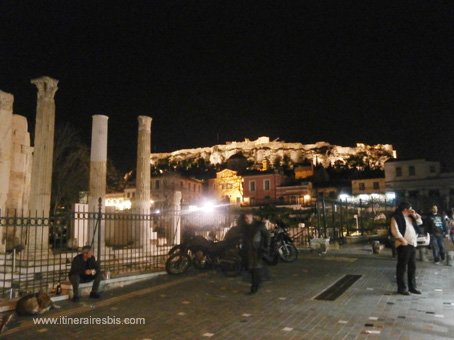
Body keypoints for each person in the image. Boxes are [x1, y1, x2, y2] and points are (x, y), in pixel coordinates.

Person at [389, 201, 423, 295]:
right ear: (405, 209)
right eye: (410, 208)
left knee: (412, 267)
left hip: (412, 244)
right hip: (403, 245)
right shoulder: (396, 217)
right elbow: (395, 230)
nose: (412, 210)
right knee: (402, 267)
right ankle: (402, 288)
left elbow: (420, 222)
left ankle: (412, 287)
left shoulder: (411, 217)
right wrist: (403, 241)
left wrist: (415, 214)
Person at [239, 213, 270, 294]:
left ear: (252, 217)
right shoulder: (244, 227)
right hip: (247, 250)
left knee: (255, 268)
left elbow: (267, 236)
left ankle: (255, 286)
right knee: (251, 268)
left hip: (257, 250)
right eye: (246, 217)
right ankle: (257, 282)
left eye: (248, 217)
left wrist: (265, 247)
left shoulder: (259, 226)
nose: (247, 219)